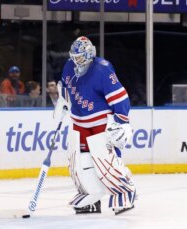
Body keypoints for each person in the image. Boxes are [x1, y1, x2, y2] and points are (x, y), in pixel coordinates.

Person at [55, 36, 136, 215]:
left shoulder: (103, 69)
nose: (77, 62)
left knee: (104, 160)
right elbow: (66, 87)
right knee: (77, 161)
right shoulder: (69, 66)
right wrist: (62, 99)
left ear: (90, 54)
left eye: (81, 58)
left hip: (100, 122)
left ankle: (125, 191)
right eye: (74, 57)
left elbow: (120, 98)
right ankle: (90, 196)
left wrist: (122, 123)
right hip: (78, 122)